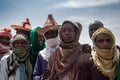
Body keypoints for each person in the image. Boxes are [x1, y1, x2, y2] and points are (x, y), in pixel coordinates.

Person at [32, 14, 60, 80]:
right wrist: (41, 78)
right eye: (47, 33)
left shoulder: (65, 50)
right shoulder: (42, 54)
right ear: (44, 36)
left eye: (52, 32)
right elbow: (35, 75)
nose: (50, 36)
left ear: (58, 33)